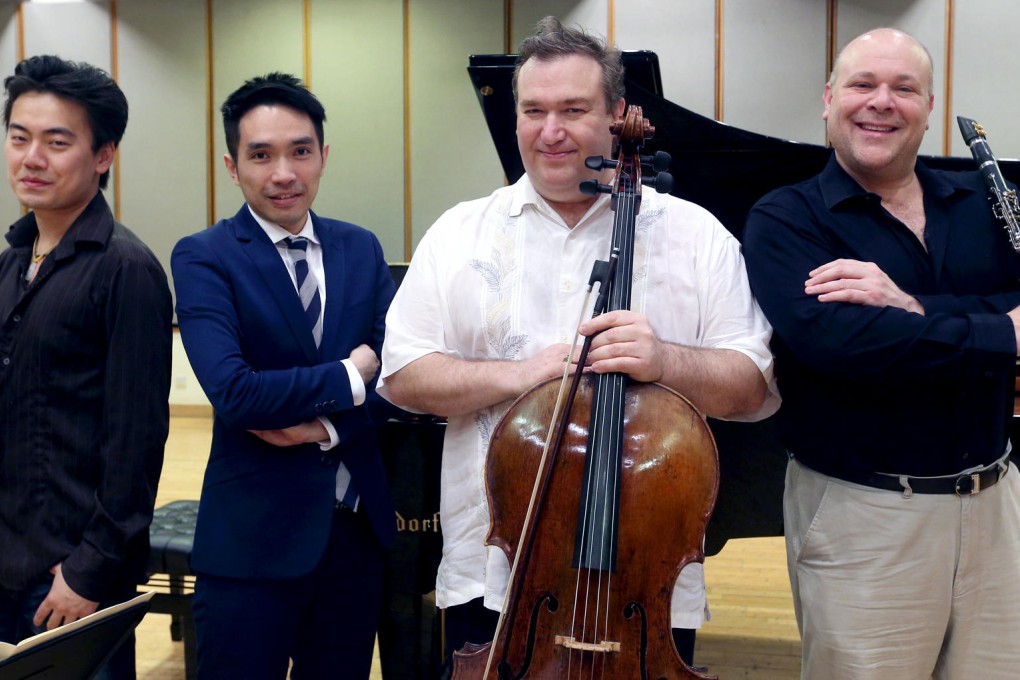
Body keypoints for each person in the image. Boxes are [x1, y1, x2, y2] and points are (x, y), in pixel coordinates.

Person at [379, 16, 778, 671]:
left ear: (618, 114)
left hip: (643, 584)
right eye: (533, 110)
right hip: (492, 567)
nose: (551, 131)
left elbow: (753, 389)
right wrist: (520, 376)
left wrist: (668, 361)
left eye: (573, 109)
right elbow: (403, 375)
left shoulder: (694, 234)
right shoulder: (459, 234)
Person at [742, 28, 1020, 679]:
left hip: (998, 504)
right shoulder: (787, 219)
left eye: (903, 88)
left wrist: (912, 310)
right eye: (864, 84)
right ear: (829, 99)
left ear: (928, 106)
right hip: (863, 515)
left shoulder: (982, 206)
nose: (881, 102)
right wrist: (1001, 328)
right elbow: (841, 345)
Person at [171, 73, 395, 680]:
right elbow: (237, 393)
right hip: (251, 542)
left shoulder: (362, 248)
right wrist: (351, 374)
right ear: (232, 164)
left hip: (355, 536)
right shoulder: (204, 256)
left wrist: (320, 428)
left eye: (300, 151)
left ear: (323, 156)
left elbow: (398, 379)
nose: (283, 173)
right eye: (260, 154)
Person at [0, 55, 172, 679]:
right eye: (19, 138)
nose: (31, 158)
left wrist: (88, 570)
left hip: (73, 583)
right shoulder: (13, 259)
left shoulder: (127, 270)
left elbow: (137, 440)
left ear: (103, 156)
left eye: (57, 141)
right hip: (8, 563)